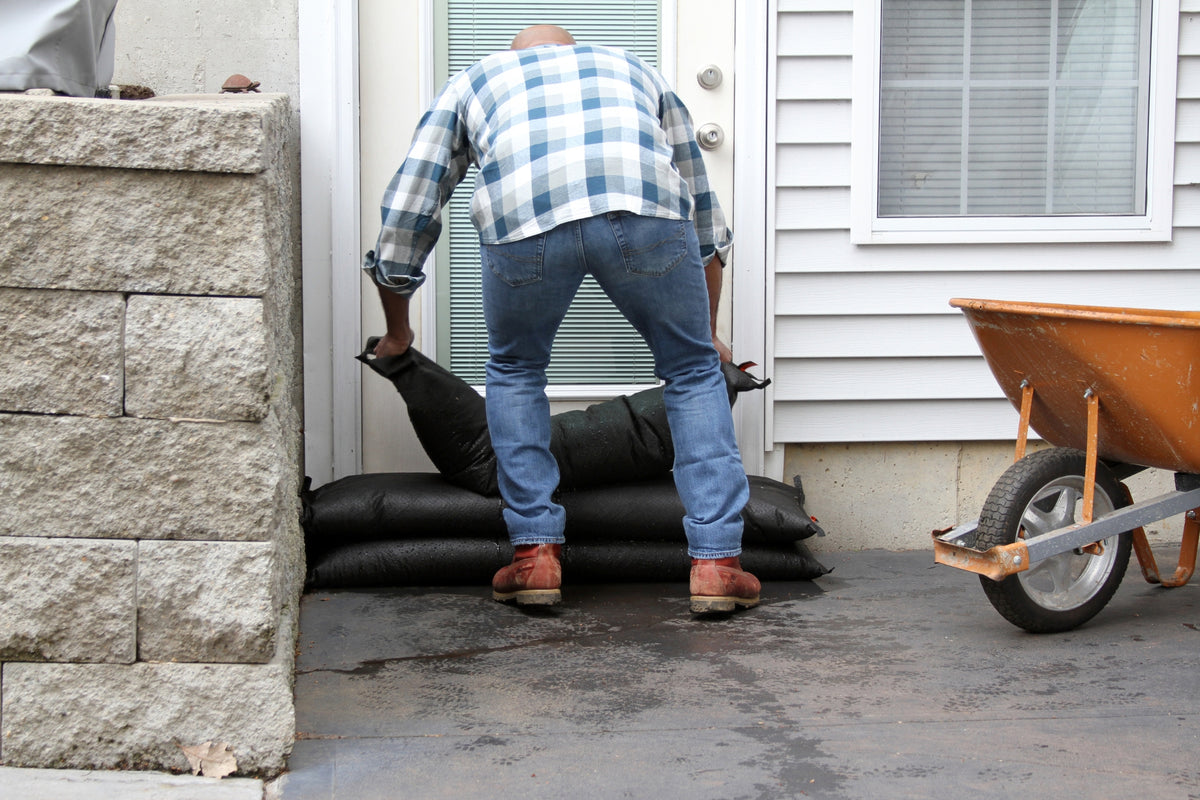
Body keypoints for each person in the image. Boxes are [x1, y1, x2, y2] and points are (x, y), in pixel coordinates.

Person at [363, 24, 759, 614]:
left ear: (514, 57)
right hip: (646, 210)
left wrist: (398, 327)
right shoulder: (632, 68)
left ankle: (535, 558)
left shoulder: (477, 80)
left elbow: (408, 208)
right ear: (574, 52)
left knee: (517, 372)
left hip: (526, 222)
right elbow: (701, 205)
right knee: (693, 373)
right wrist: (705, 334)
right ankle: (717, 564)